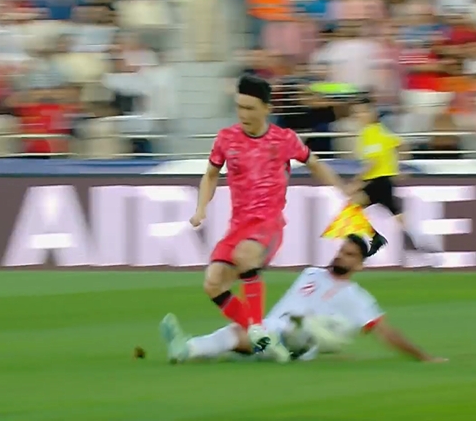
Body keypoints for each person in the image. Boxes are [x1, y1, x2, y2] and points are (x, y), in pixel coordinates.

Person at [189, 74, 351, 363]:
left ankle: (256, 329)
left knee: (244, 255)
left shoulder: (284, 139)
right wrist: (201, 207)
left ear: (266, 108)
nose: (243, 114)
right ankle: (263, 336)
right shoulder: (226, 138)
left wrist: (342, 192)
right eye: (239, 107)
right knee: (213, 282)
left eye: (250, 108)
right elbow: (211, 174)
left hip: (268, 225)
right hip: (237, 227)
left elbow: (314, 164)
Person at [160, 234, 447, 364]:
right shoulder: (311, 273)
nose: (341, 256)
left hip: (293, 339)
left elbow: (386, 332)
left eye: (349, 255)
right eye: (341, 250)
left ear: (359, 265)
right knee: (239, 336)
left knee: (242, 333)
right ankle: (191, 349)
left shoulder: (356, 297)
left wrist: (424, 357)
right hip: (274, 328)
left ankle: (187, 348)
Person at [348, 97, 435, 254]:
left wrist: (357, 181)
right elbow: (401, 145)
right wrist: (399, 168)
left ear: (372, 114)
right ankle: (416, 245)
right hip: (385, 182)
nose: (358, 116)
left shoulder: (369, 133)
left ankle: (378, 239)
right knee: (397, 216)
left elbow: (373, 162)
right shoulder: (381, 130)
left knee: (352, 208)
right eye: (356, 113)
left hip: (376, 182)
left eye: (362, 112)